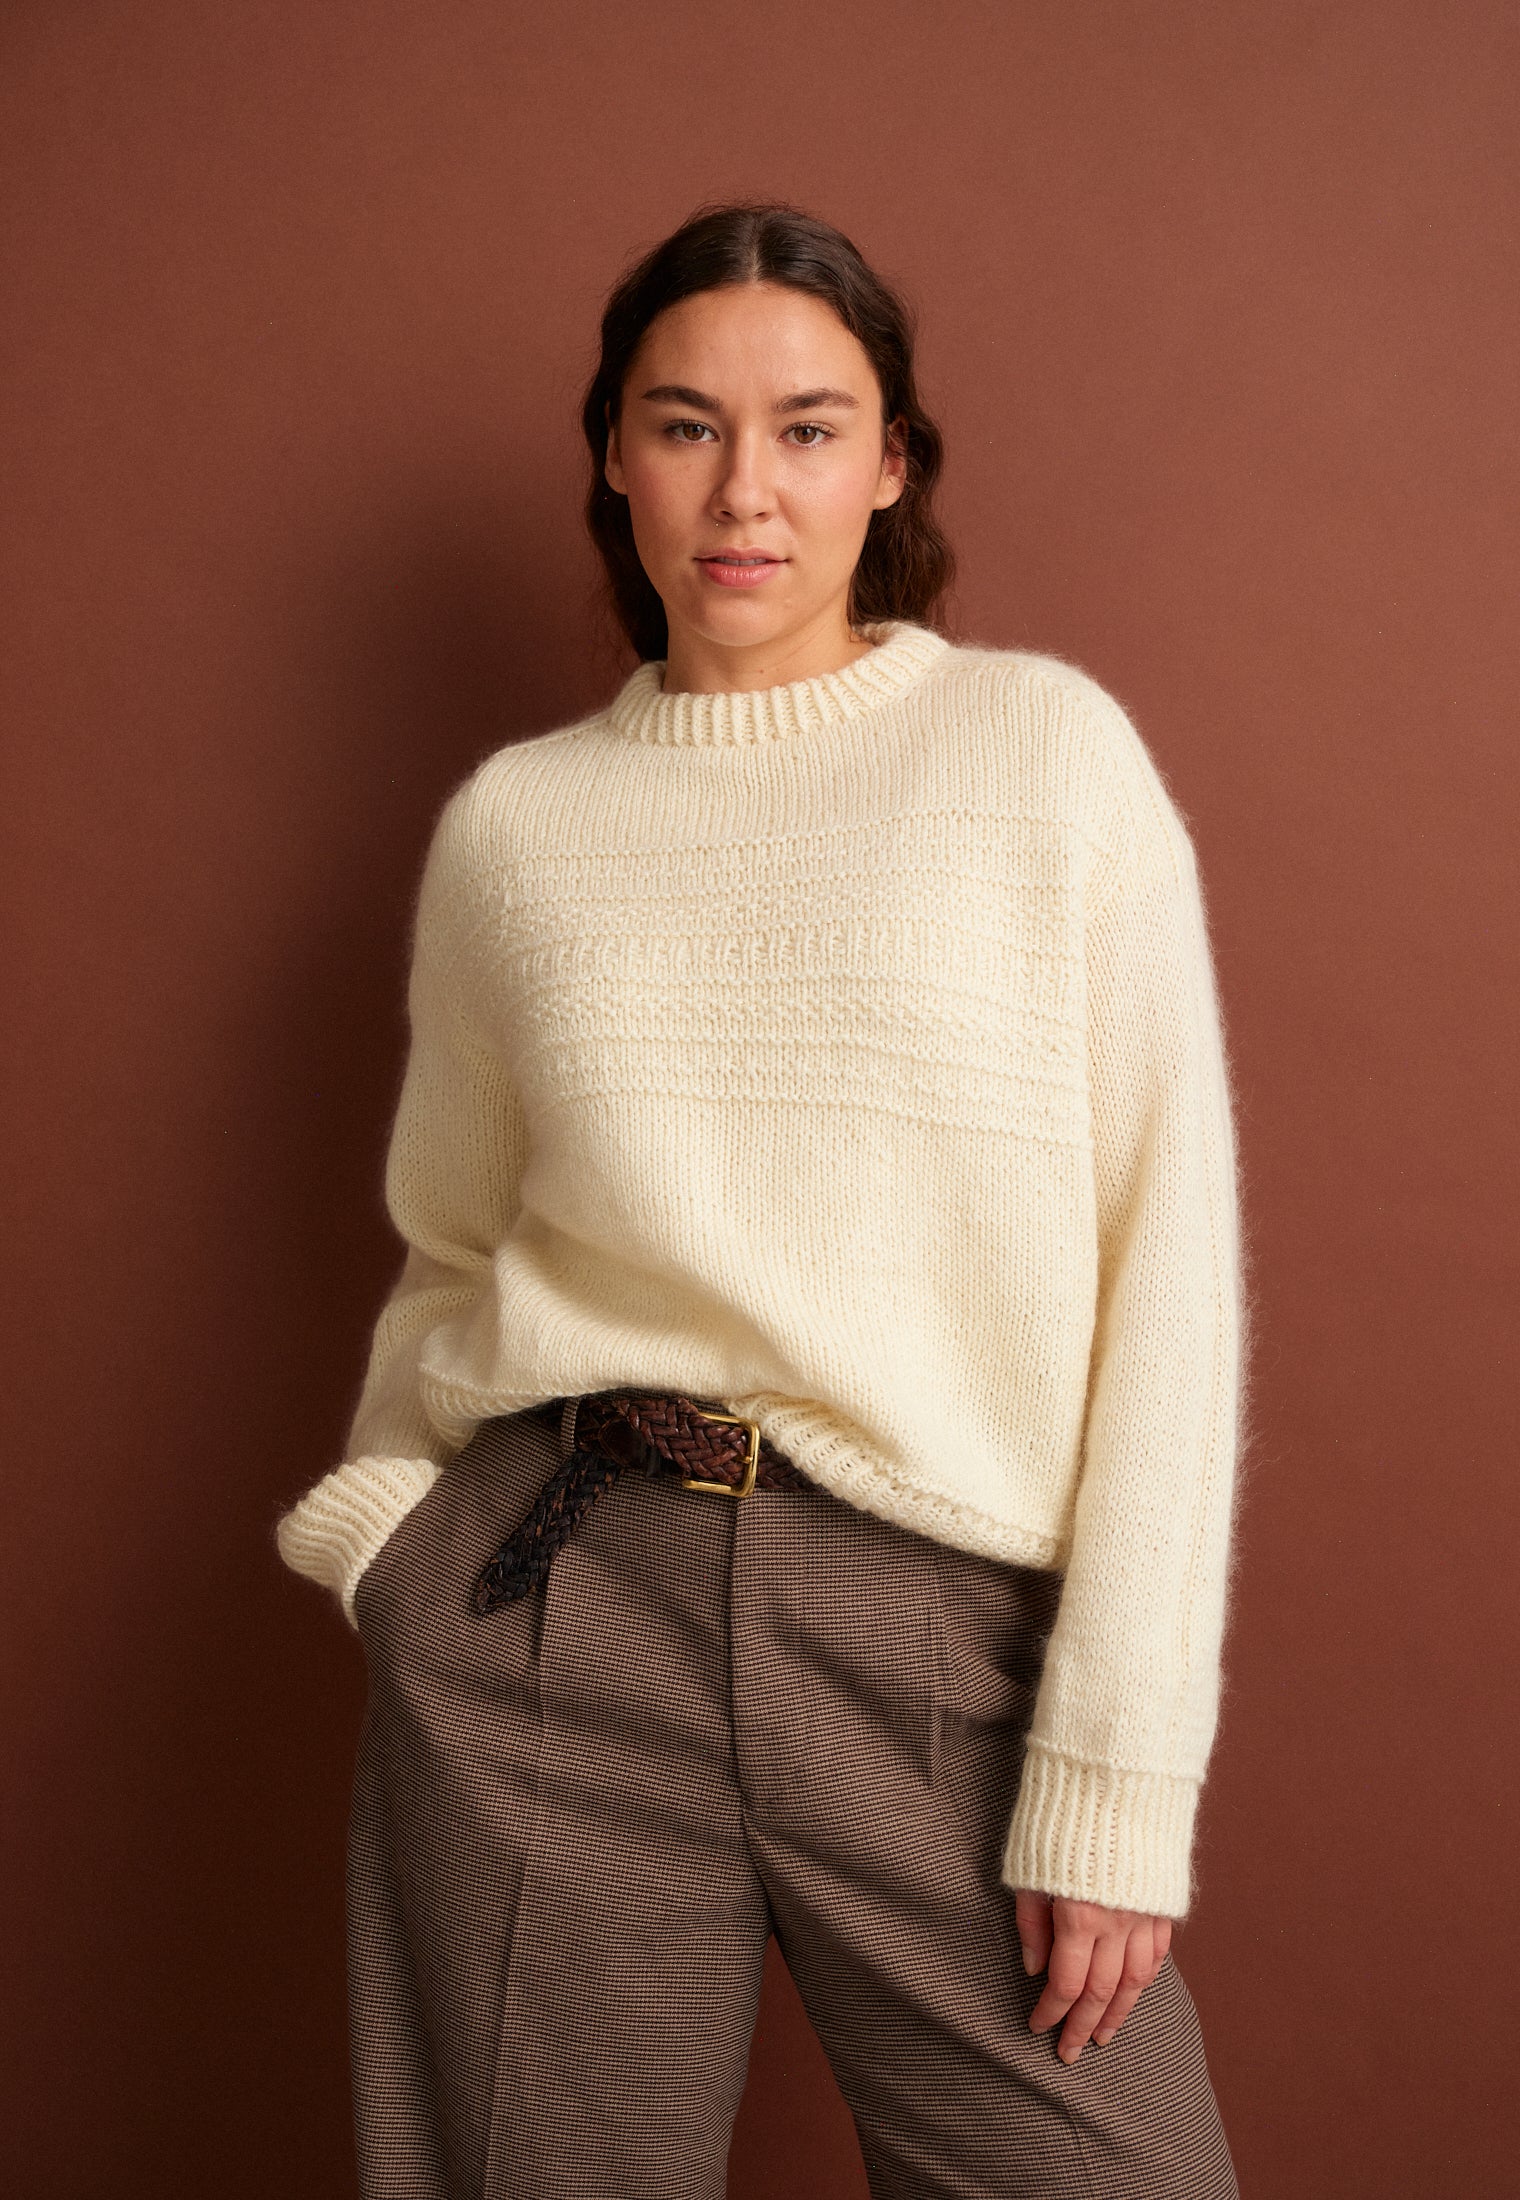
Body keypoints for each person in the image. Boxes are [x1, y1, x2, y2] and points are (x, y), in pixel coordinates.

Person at [275, 199, 1246, 2199]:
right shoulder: (516, 828)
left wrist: (1114, 1771)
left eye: (808, 428)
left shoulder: (1041, 755)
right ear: (613, 459)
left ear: (890, 465)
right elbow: (451, 1245)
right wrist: (392, 1540)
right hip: (554, 1604)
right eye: (684, 425)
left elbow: (1170, 1273)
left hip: (927, 1619)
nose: (745, 489)